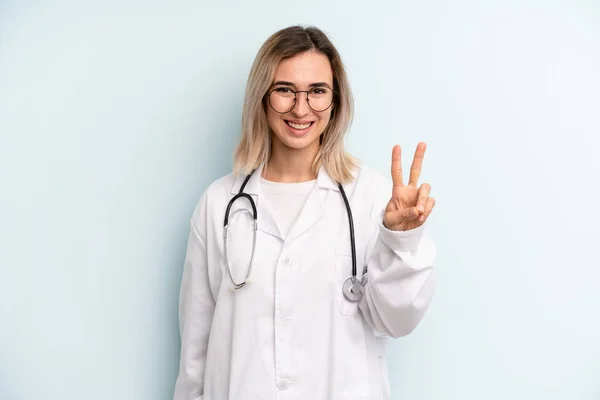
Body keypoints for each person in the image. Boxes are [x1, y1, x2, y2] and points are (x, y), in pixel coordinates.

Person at [173, 25, 436, 400]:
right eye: (284, 90)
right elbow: (196, 350)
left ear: (336, 100)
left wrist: (401, 239)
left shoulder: (372, 196)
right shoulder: (219, 204)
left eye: (317, 92)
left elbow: (397, 319)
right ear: (262, 98)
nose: (301, 108)